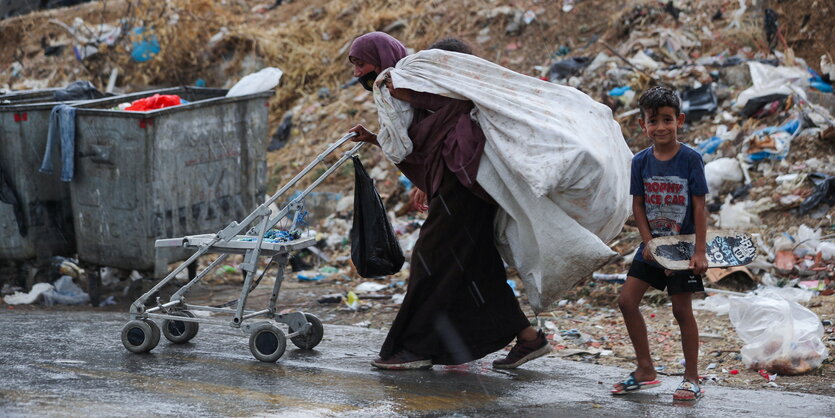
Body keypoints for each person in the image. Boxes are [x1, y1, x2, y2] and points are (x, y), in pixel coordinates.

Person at [347, 32, 550, 370]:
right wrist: (374, 139)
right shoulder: (410, 95)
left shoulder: (429, 91)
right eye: (353, 64)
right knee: (477, 268)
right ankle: (529, 338)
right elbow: (421, 145)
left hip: (467, 188)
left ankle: (414, 347)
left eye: (361, 63)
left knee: (431, 257)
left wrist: (406, 93)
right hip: (458, 187)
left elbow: (455, 143)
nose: (357, 73)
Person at [612, 86, 708, 401]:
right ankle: (645, 370)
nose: (661, 127)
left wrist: (699, 252)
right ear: (643, 125)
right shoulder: (640, 162)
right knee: (627, 301)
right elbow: (638, 205)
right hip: (653, 245)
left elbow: (699, 207)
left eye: (667, 119)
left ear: (679, 120)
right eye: (653, 121)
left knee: (681, 310)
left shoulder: (691, 159)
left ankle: (692, 378)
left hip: (682, 247)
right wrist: (648, 242)